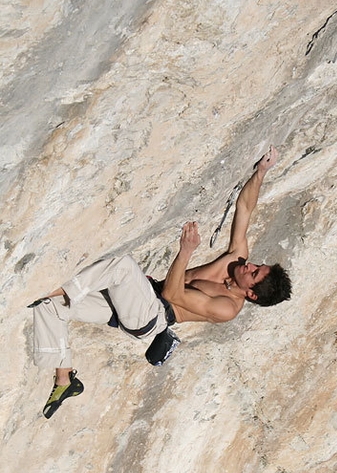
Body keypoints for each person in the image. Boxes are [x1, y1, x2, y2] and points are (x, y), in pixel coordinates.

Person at [29, 145, 291, 418]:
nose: (250, 265)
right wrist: (262, 172)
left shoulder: (227, 308)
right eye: (257, 265)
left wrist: (186, 252)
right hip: (141, 298)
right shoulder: (236, 259)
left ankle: (67, 289)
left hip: (149, 315)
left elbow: (173, 294)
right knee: (48, 305)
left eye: (254, 272)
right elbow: (245, 208)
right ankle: (64, 380)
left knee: (123, 266)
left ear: (251, 294)